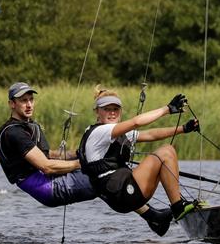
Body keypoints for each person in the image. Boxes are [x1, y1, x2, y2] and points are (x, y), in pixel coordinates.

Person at [77, 86, 200, 234]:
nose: (112, 113)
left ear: (120, 111)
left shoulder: (117, 133)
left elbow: (150, 135)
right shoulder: (101, 131)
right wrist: (167, 109)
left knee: (166, 152)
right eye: (106, 109)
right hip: (121, 193)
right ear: (97, 111)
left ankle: (161, 215)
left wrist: (183, 128)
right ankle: (178, 207)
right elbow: (136, 122)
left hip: (121, 194)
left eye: (115, 109)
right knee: (166, 152)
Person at [0, 82, 97, 208]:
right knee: (102, 177)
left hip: (50, 179)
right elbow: (47, 166)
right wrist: (82, 163)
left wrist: (77, 154)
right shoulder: (13, 132)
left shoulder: (28, 126)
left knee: (104, 172)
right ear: (12, 104)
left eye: (31, 99)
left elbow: (47, 155)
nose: (29, 105)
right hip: (50, 189)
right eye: (23, 101)